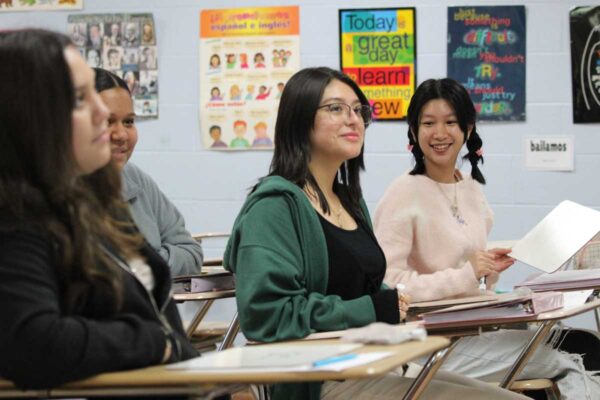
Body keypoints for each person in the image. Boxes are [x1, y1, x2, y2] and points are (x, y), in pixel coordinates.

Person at [223, 67, 528, 400]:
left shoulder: (349, 201)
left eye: (358, 110)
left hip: (378, 360)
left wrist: (395, 303)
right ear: (299, 119)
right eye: (336, 108)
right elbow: (268, 315)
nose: (353, 119)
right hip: (320, 378)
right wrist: (375, 307)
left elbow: (370, 288)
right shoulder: (274, 206)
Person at [374, 78, 600, 399]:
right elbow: (388, 285)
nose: (440, 133)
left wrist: (489, 266)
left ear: (467, 129)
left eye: (451, 122)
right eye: (428, 123)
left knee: (586, 342)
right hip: (428, 341)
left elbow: (469, 273)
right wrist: (466, 273)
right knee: (575, 359)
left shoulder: (470, 188)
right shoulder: (402, 193)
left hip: (474, 329)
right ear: (413, 131)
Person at [0, 29, 197, 390]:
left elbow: (185, 252)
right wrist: (158, 342)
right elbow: (32, 341)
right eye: (79, 99)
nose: (101, 112)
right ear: (28, 116)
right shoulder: (16, 219)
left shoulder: (98, 200)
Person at [94, 68, 203, 277]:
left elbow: (191, 253)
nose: (121, 135)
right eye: (108, 122)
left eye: (129, 122)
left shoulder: (135, 180)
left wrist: (144, 265)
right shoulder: (54, 193)